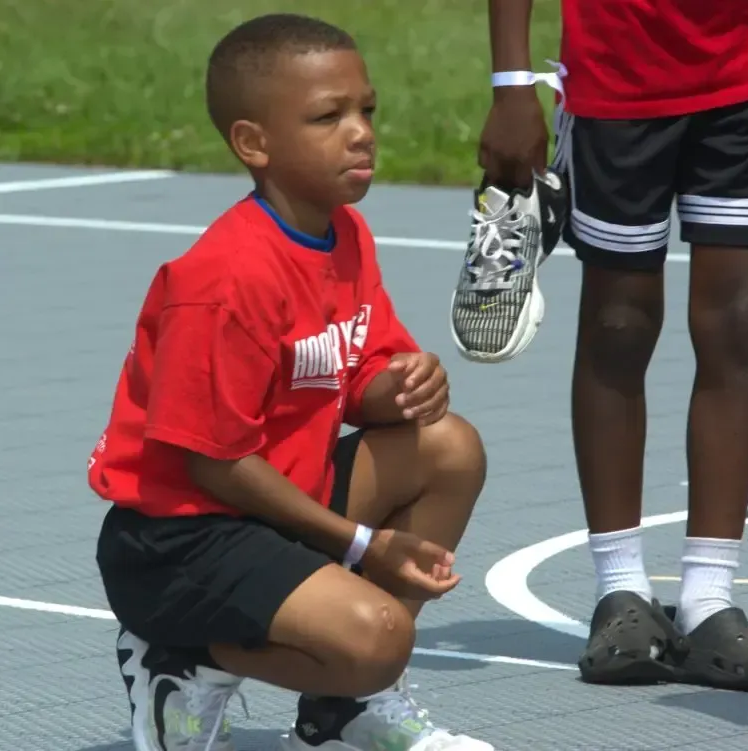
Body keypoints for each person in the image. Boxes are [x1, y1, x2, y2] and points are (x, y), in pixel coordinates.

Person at [87, 14, 495, 751]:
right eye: (327, 116)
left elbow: (356, 370)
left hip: (272, 501)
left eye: (366, 109)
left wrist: (402, 385)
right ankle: (178, 656)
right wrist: (364, 543)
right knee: (378, 637)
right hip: (180, 539)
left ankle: (340, 711)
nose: (361, 131)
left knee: (449, 446)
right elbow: (213, 461)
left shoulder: (346, 233)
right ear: (254, 143)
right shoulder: (224, 278)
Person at [455, 0, 748, 689]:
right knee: (617, 326)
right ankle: (619, 590)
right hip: (616, 77)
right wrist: (511, 84)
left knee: (738, 325)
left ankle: (710, 599)